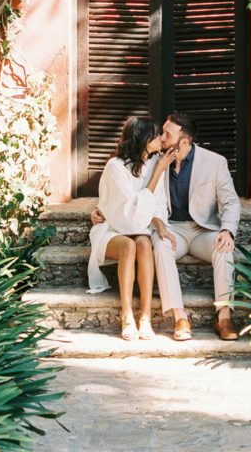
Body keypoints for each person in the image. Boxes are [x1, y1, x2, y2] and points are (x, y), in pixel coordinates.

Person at [91, 111, 241, 342]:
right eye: (160, 133)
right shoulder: (156, 161)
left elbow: (230, 202)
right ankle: (180, 317)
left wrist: (227, 230)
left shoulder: (214, 162)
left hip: (203, 230)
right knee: (160, 246)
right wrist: (101, 210)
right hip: (173, 229)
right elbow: (127, 190)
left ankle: (224, 315)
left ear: (184, 142)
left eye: (166, 134)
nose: (161, 138)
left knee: (224, 247)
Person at [87, 115, 177, 341]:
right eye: (156, 135)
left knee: (145, 244)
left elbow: (157, 205)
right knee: (129, 245)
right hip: (112, 229)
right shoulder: (115, 166)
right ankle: (127, 315)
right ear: (144, 139)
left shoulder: (156, 164)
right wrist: (157, 173)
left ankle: (145, 317)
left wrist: (161, 226)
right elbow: (128, 213)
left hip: (140, 229)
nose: (161, 139)